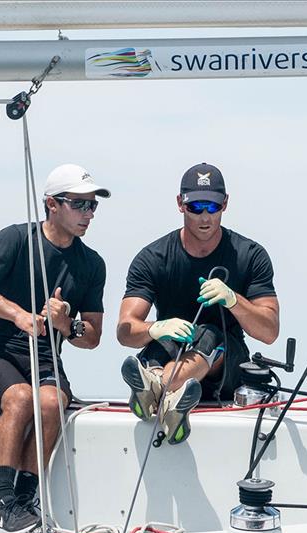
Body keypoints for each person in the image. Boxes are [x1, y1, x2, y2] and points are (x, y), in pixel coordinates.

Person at [0, 164, 108, 533]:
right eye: (79, 204)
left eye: (92, 206)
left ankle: (25, 499)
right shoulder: (16, 238)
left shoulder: (92, 264)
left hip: (44, 357)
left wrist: (66, 324)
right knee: (23, 397)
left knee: (54, 401)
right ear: (51, 204)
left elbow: (92, 336)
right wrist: (18, 314)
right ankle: (1, 502)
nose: (88, 214)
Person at [117, 163, 279, 445]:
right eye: (196, 207)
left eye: (213, 207)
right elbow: (125, 331)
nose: (205, 216)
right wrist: (157, 327)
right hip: (171, 351)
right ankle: (168, 395)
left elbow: (269, 332)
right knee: (161, 341)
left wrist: (233, 299)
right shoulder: (153, 258)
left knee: (208, 334)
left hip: (225, 362)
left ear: (225, 204)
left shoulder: (250, 255)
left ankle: (157, 388)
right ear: (181, 204)